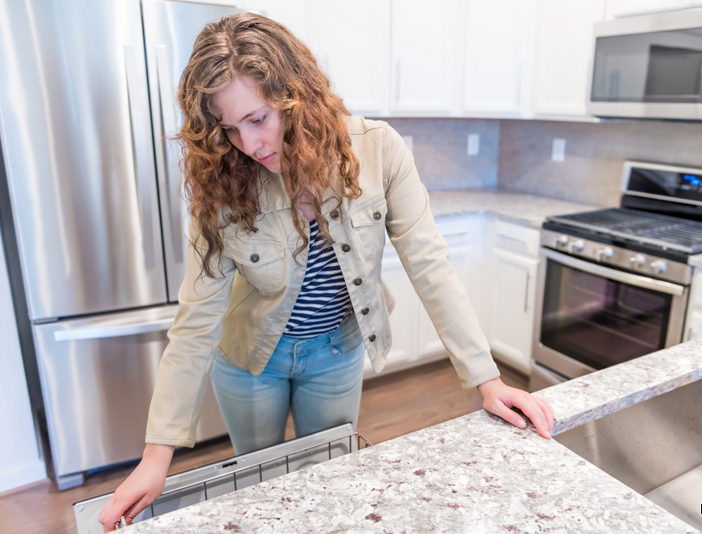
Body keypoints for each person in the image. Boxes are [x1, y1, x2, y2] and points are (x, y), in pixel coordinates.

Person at [99, 12, 555, 531]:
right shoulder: (224, 181)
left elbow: (430, 266)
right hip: (251, 359)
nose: (248, 144)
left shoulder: (379, 149)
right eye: (228, 129)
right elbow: (196, 318)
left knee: (331, 482)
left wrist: (488, 381)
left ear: (297, 96)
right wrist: (156, 458)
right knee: (262, 483)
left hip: (336, 351)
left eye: (257, 119)